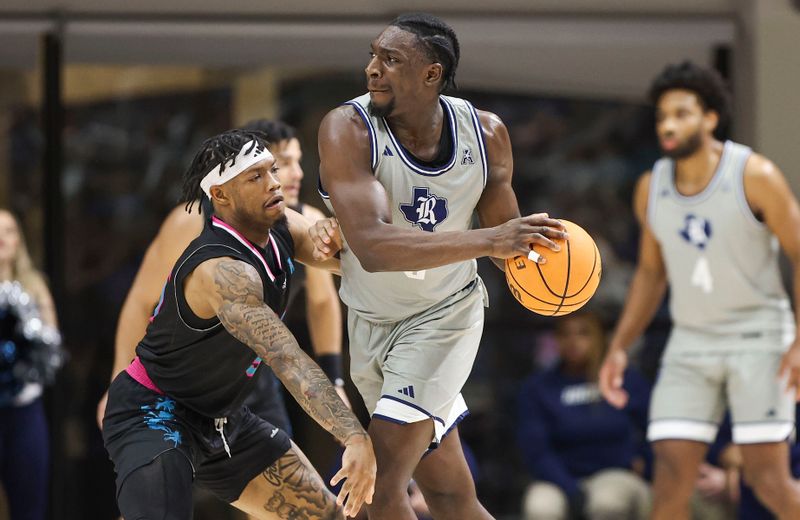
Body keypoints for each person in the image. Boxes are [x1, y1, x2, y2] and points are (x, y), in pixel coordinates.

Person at [312, 12, 567, 519]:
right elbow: (373, 248)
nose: (372, 69)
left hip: (443, 318)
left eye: (390, 60)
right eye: (373, 56)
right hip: (370, 320)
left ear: (431, 74)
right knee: (450, 496)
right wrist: (490, 240)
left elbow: (510, 241)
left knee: (378, 488)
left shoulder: (485, 134)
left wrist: (549, 262)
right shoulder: (347, 128)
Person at [102, 129, 376, 519]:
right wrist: (352, 434)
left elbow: (371, 266)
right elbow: (286, 358)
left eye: (272, 170)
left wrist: (340, 240)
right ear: (220, 196)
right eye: (255, 177)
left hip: (224, 417)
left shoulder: (282, 225)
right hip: (154, 412)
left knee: (327, 516)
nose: (275, 183)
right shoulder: (221, 269)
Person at [598, 61, 800, 520]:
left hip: (759, 337)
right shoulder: (651, 187)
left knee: (767, 481)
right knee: (668, 482)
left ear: (710, 118)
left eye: (682, 113)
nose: (668, 124)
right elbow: (651, 274)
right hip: (691, 342)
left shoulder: (755, 174)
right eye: (662, 115)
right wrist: (619, 346)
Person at [97, 119, 348, 437]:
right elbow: (141, 301)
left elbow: (323, 303)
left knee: (284, 477)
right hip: (188, 378)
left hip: (254, 374)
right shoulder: (191, 221)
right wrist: (119, 380)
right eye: (282, 164)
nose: (297, 173)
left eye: (296, 161)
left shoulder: (307, 220)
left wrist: (335, 379)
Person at [518, 311, 651, 520]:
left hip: (615, 473)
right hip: (558, 478)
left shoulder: (623, 380)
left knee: (608, 503)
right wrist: (570, 488)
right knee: (540, 507)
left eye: (583, 333)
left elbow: (654, 429)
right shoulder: (539, 388)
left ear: (599, 337)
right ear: (556, 339)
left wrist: (646, 464)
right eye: (565, 334)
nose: (573, 341)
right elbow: (535, 449)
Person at [0, 209, 63, 520]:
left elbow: (52, 348)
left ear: (18, 241)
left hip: (24, 410)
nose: (1, 237)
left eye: (9, 230)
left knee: (29, 504)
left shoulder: (35, 286)